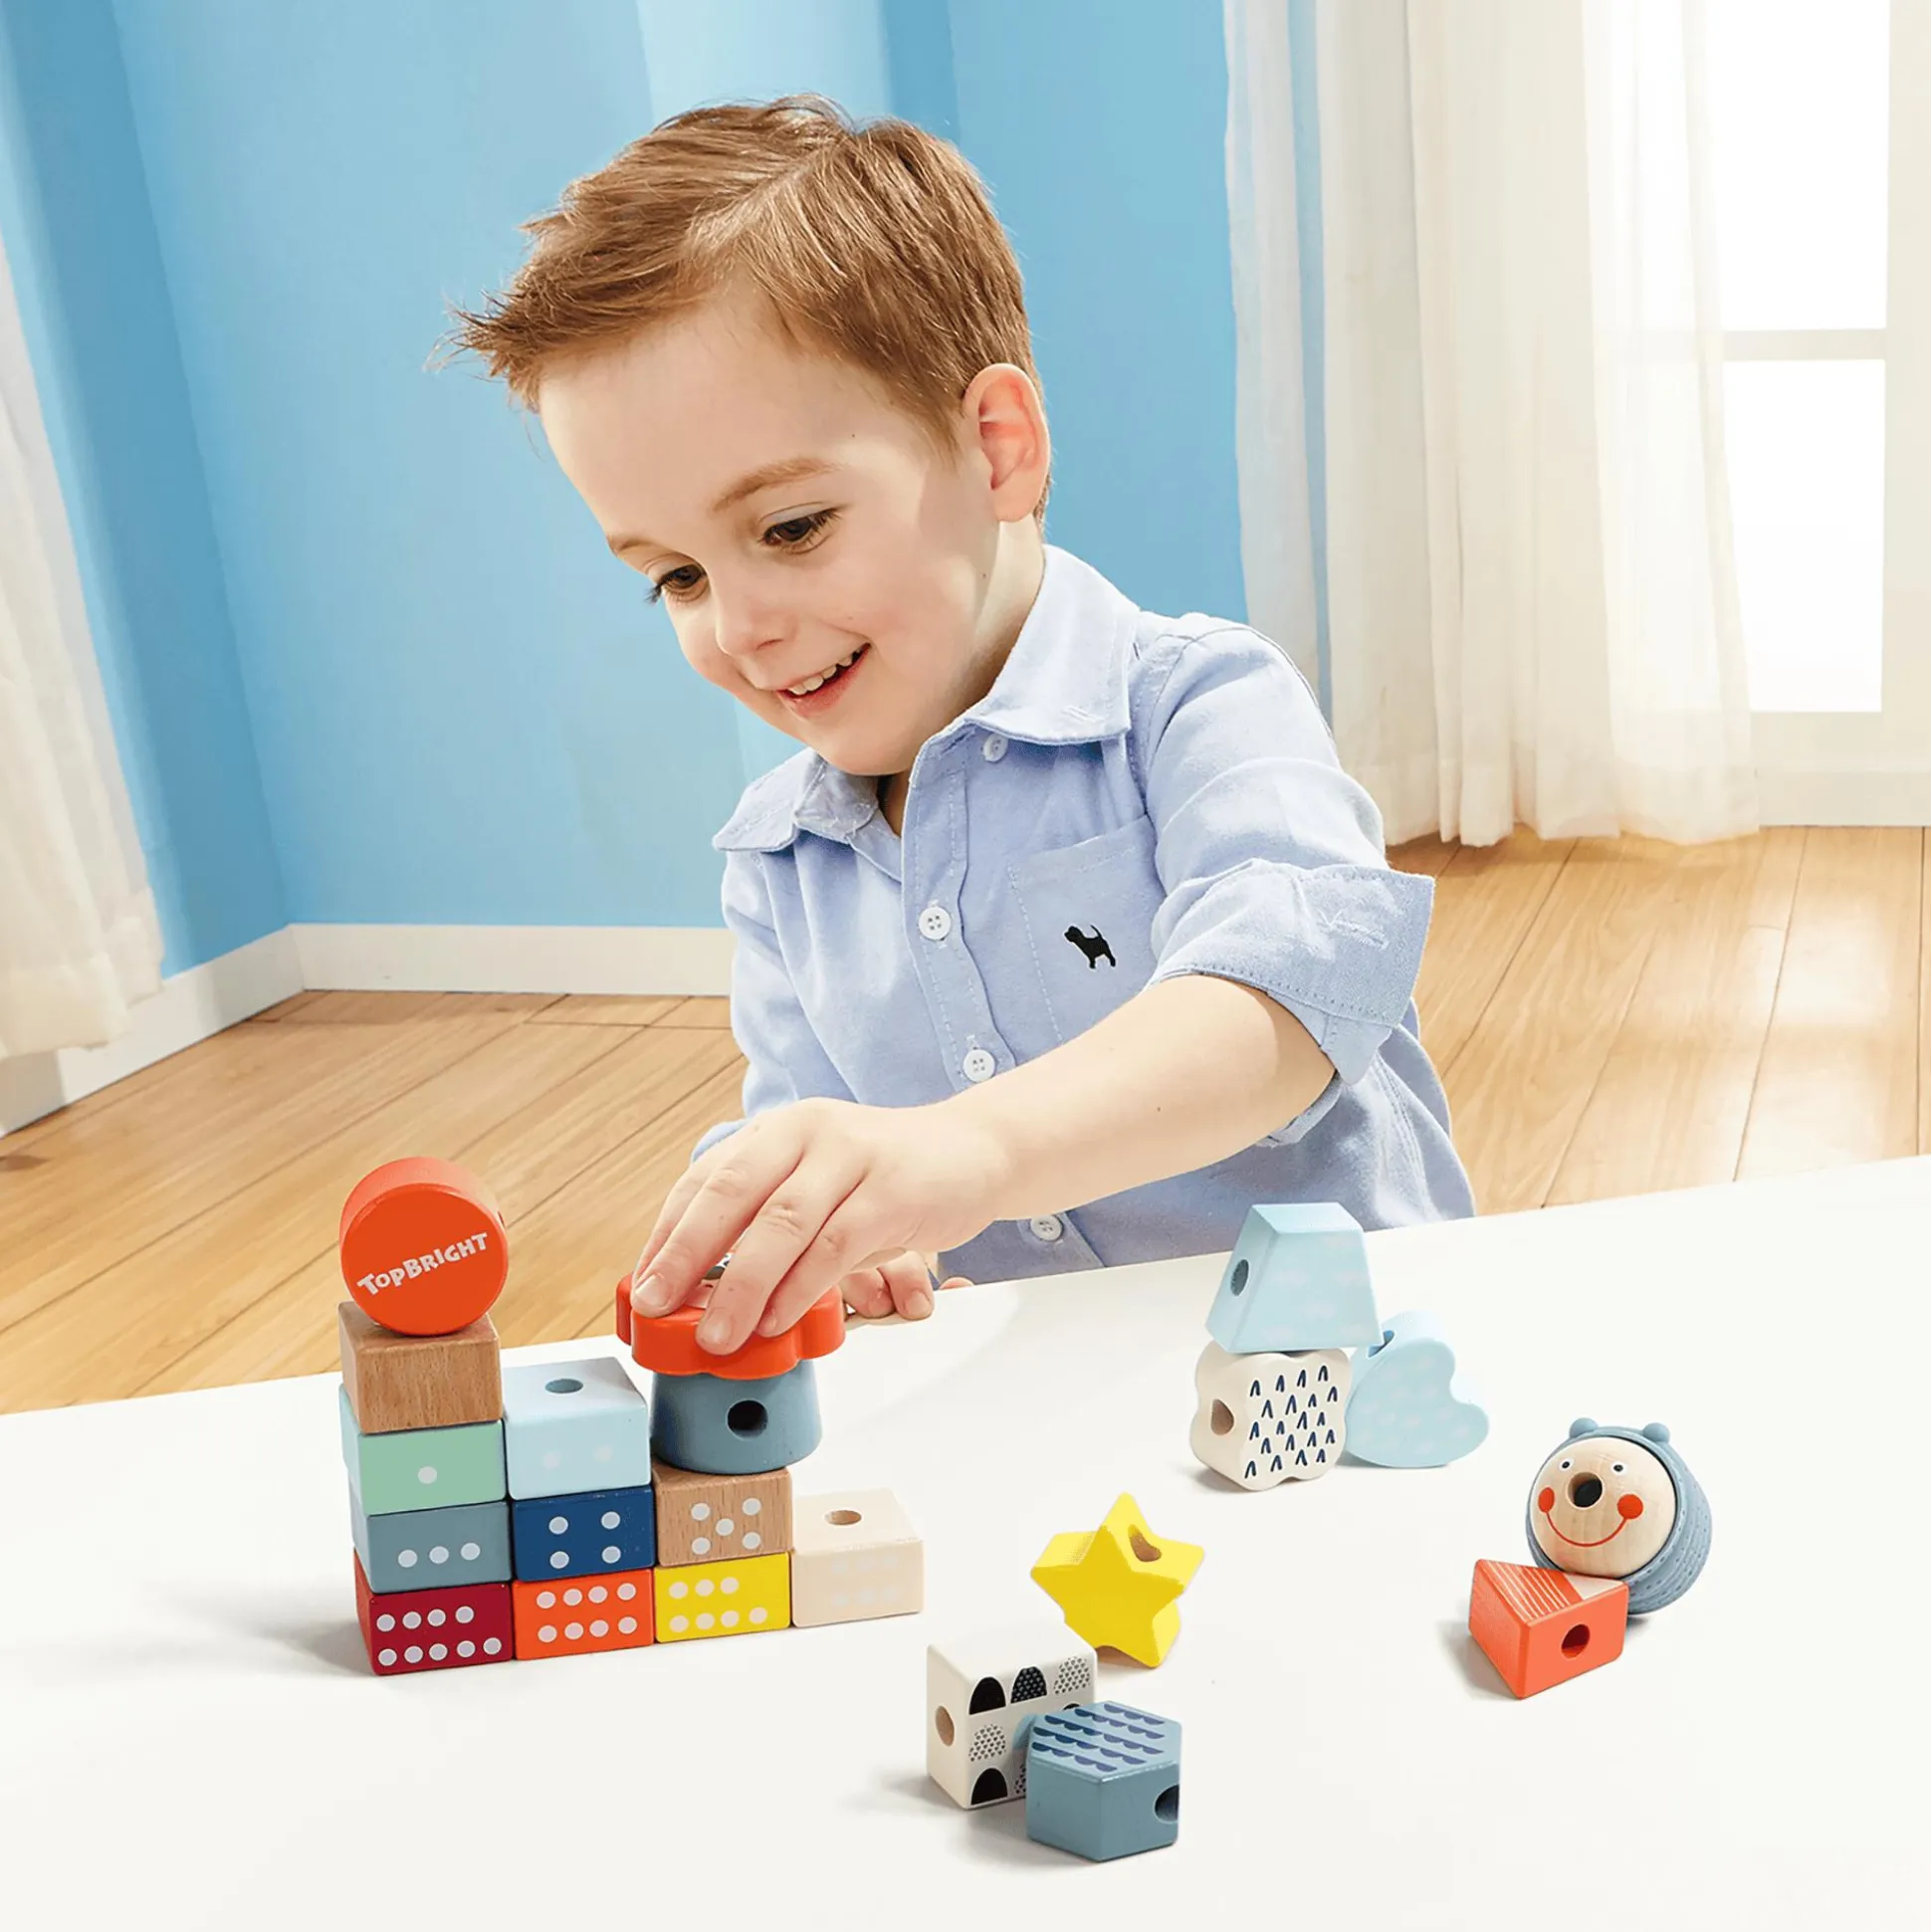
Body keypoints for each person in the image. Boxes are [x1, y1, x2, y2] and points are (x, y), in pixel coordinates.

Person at [450, 95, 1474, 1361]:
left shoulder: (1195, 703)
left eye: (790, 529)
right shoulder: (778, 864)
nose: (741, 624)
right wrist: (803, 1221)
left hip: (1352, 1372)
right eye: (677, 576)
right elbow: (817, 1130)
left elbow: (1287, 1000)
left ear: (995, 450)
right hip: (1045, 1396)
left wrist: (965, 1150)